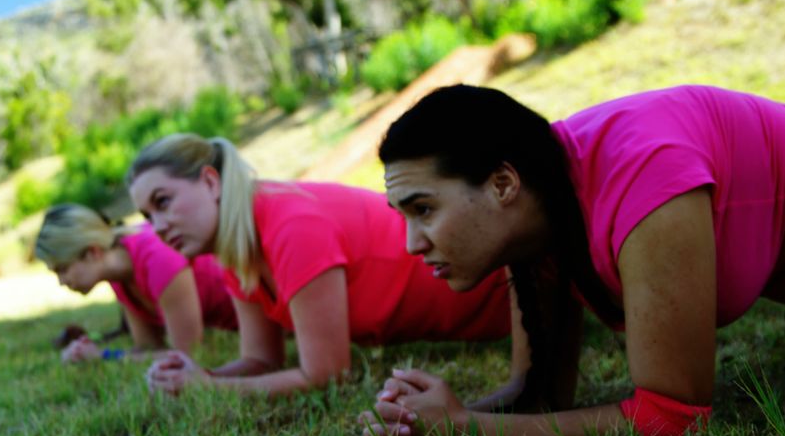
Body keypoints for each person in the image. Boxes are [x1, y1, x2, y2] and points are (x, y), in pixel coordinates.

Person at [360, 84, 785, 436]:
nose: (411, 243)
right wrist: (424, 421)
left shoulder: (647, 180)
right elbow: (539, 397)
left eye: (423, 209)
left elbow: (672, 421)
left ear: (502, 185)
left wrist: (463, 430)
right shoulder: (539, 209)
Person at [127, 134, 519, 399]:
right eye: (147, 214)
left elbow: (327, 374)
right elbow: (263, 360)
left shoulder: (290, 224)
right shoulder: (237, 251)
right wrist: (201, 375)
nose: (156, 227)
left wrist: (209, 389)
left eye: (163, 202)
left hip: (504, 301)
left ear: (211, 183)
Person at [34, 203, 237, 362]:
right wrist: (89, 352)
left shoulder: (157, 257)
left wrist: (103, 356)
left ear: (92, 253)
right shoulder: (118, 276)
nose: (61, 282)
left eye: (62, 269)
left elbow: (188, 354)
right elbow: (148, 347)